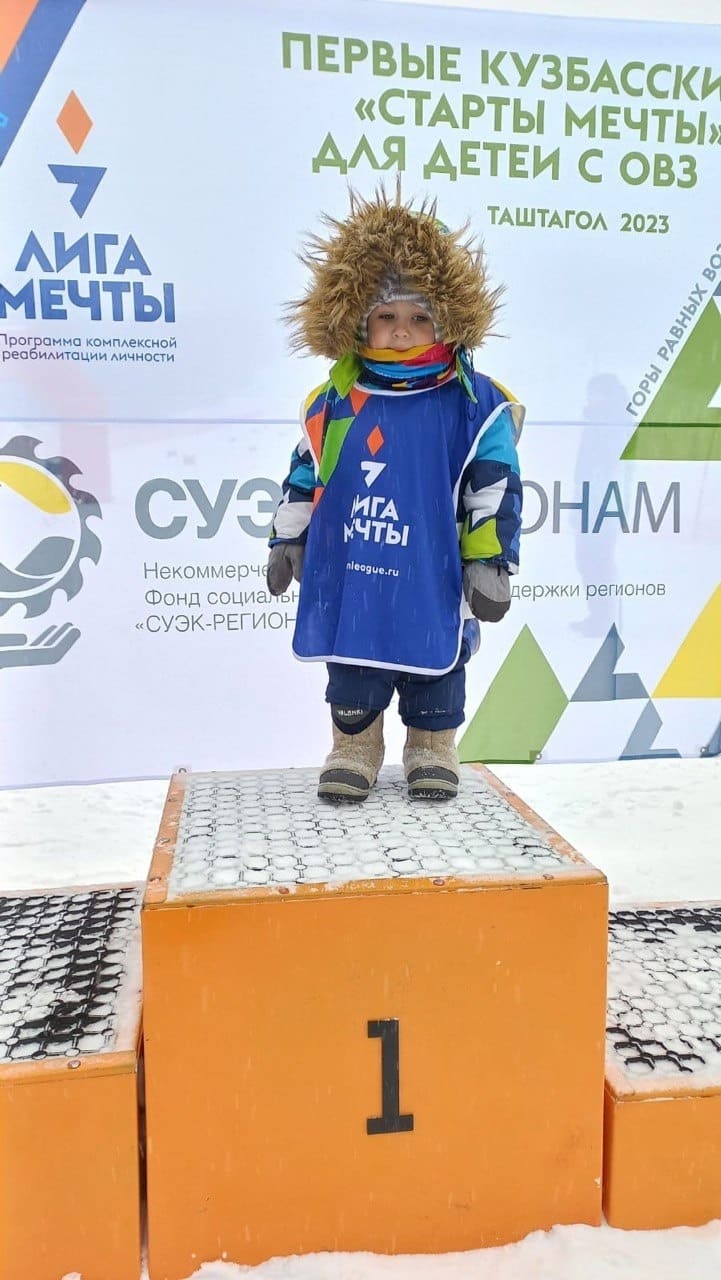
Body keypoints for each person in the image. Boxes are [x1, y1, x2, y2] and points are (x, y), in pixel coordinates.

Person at [267, 187, 523, 803]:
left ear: (449, 322)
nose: (402, 331)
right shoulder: (335, 401)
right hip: (353, 565)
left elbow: (492, 487)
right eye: (385, 316)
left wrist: (489, 562)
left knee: (436, 659)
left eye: (420, 317)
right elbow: (306, 473)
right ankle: (354, 746)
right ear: (356, 321)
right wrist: (288, 536)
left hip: (432, 569)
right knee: (353, 661)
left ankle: (432, 745)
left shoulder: (473, 404)